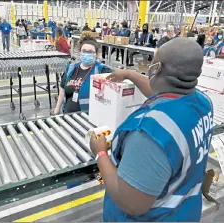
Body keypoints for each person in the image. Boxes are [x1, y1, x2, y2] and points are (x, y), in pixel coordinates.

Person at [90, 38, 213, 222]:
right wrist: (130, 74)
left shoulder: (150, 133)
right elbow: (162, 91)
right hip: (184, 213)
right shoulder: (203, 103)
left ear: (157, 68)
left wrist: (100, 153)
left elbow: (132, 203)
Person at [54, 36, 112, 114]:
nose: (87, 54)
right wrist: (56, 110)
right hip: (68, 117)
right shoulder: (70, 68)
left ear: (96, 54)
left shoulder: (102, 71)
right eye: (84, 51)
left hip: (88, 119)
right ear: (80, 53)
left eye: (90, 52)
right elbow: (62, 92)